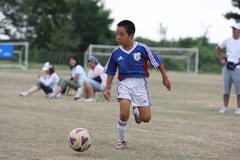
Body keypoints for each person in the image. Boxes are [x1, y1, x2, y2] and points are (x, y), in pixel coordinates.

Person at [103, 20, 171, 149]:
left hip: (140, 85)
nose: (118, 37)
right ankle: (121, 140)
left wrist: (165, 78)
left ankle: (137, 111)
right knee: (123, 114)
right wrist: (107, 88)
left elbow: (157, 61)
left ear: (131, 35)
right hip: (124, 84)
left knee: (145, 118)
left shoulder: (142, 48)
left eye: (122, 34)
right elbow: (110, 71)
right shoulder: (116, 53)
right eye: (117, 34)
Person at [216, 23, 240, 115]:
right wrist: (222, 59)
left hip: (238, 68)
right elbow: (217, 48)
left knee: (239, 90)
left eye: (235, 29)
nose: (233, 31)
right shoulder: (228, 40)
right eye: (233, 29)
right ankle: (225, 107)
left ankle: (238, 108)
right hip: (227, 67)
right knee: (226, 89)